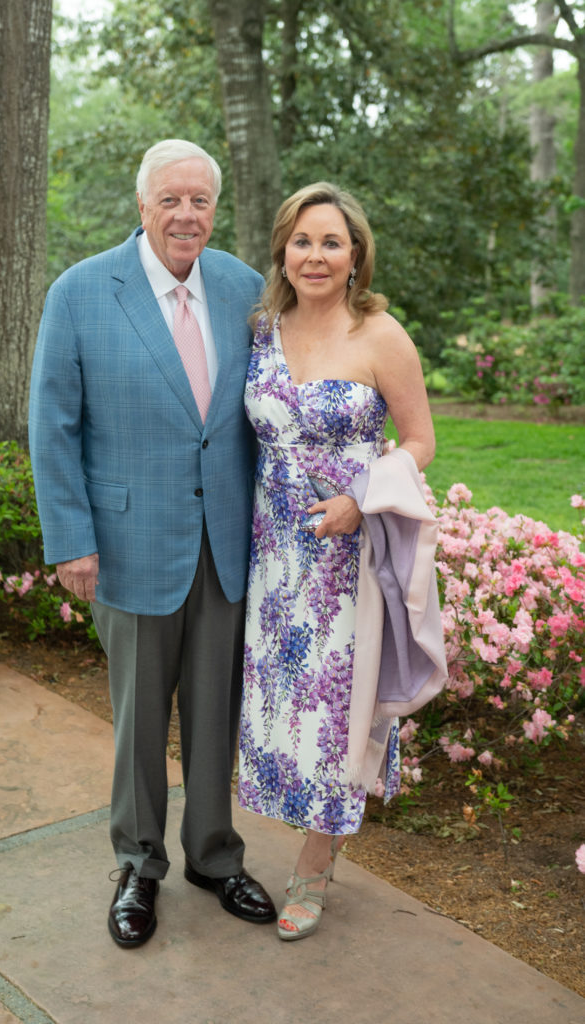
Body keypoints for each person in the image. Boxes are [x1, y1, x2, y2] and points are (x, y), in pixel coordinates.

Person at [29, 139, 276, 948]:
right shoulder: (79, 292)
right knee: (138, 720)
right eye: (170, 199)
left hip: (225, 543)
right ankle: (139, 864)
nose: (186, 215)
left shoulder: (245, 289)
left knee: (216, 710)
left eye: (200, 200)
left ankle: (213, 853)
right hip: (129, 542)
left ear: (215, 208)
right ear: (142, 205)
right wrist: (71, 539)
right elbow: (52, 425)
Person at [237, 182, 447, 941]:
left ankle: (314, 870)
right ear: (282, 253)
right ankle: (293, 833)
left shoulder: (380, 334)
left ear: (356, 254)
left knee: (336, 713)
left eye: (331, 242)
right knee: (281, 706)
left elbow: (420, 440)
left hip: (347, 557)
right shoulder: (264, 329)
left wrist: (360, 497)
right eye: (302, 241)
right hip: (272, 556)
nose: (315, 255)